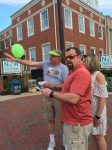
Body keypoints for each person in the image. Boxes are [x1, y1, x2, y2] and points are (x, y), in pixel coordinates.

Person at [4, 49, 69, 150]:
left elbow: (66, 85)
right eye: (50, 55)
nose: (50, 57)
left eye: (53, 56)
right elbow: (30, 63)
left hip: (58, 96)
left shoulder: (64, 68)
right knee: (50, 120)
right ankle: (52, 142)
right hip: (46, 96)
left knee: (61, 120)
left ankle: (65, 141)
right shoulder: (46, 64)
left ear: (59, 57)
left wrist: (52, 86)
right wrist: (15, 59)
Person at [42, 47, 93, 150]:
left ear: (79, 57)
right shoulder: (73, 72)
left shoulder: (81, 73)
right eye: (67, 57)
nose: (68, 59)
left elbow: (74, 98)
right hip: (72, 122)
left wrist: (51, 93)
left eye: (71, 56)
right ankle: (53, 142)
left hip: (77, 124)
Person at [84, 54, 108, 150]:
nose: (83, 62)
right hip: (89, 111)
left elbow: (102, 98)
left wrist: (97, 116)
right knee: (94, 135)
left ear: (90, 62)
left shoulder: (98, 75)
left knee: (99, 136)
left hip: (97, 112)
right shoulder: (87, 74)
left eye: (85, 61)